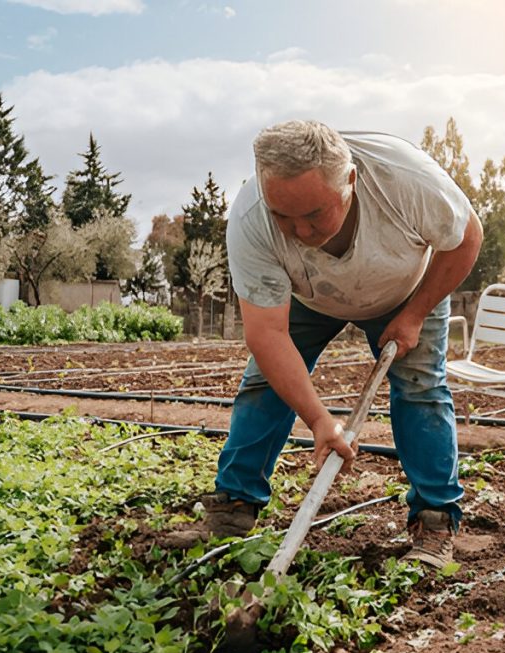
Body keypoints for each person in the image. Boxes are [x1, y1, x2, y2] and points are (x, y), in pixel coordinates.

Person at [164, 120, 482, 567]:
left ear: (350, 181)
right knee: (264, 383)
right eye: (284, 217)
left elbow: (467, 238)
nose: (301, 232)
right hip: (309, 297)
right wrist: (318, 420)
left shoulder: (404, 178)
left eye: (315, 214)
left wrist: (414, 314)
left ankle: (434, 520)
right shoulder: (251, 217)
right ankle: (234, 505)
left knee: (421, 390)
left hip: (406, 290)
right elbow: (266, 334)